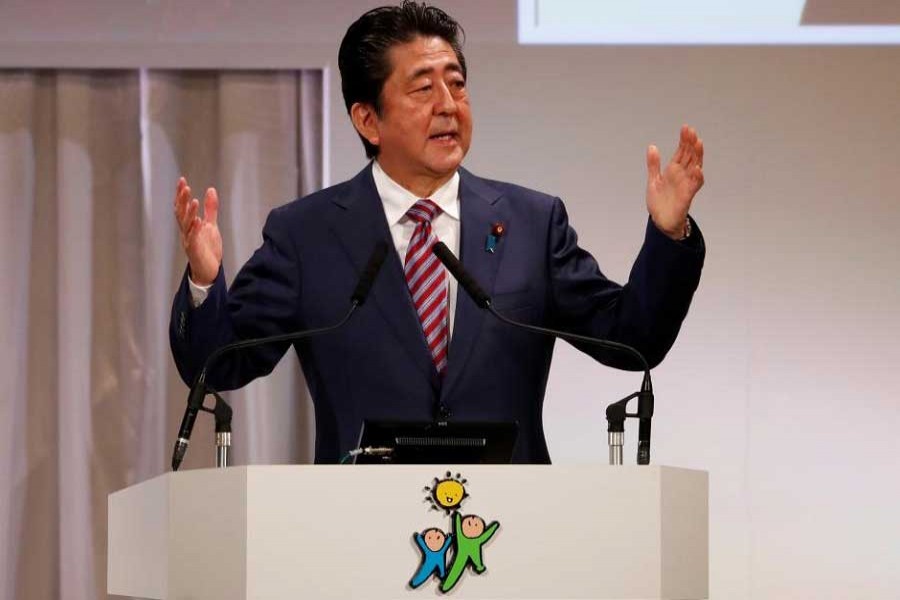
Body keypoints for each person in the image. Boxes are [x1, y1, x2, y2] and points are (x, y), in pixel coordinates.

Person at [170, 1, 706, 464]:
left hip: (511, 522)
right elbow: (220, 365)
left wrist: (669, 233)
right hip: (355, 525)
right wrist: (204, 281)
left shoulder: (533, 223)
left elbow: (631, 340)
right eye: (423, 88)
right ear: (368, 120)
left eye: (457, 84)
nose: (448, 105)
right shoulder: (306, 234)